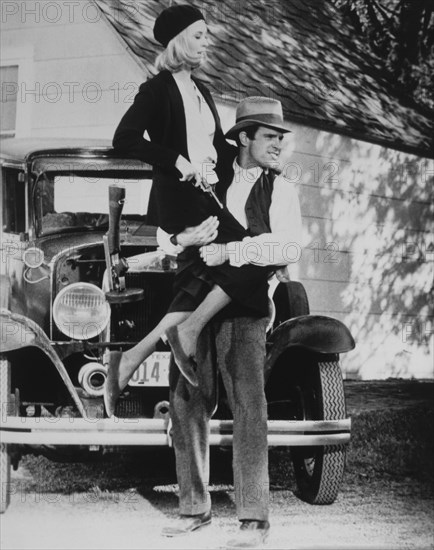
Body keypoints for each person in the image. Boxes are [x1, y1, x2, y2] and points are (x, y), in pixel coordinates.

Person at [105, 5, 285, 416]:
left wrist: (253, 154)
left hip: (210, 199)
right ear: (180, 39)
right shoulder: (157, 90)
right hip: (181, 202)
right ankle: (178, 336)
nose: (208, 42)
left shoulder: (201, 90)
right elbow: (125, 138)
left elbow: (218, 148)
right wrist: (177, 162)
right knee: (258, 254)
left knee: (208, 279)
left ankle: (136, 354)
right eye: (200, 35)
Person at [159, 98, 302, 549]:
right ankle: (194, 509)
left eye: (282, 137)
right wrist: (185, 238)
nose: (279, 144)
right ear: (244, 137)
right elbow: (167, 234)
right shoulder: (209, 182)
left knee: (249, 409)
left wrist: (233, 251)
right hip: (196, 305)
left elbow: (288, 249)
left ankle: (253, 521)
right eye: (270, 136)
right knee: (186, 403)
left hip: (245, 312)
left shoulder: (281, 190)